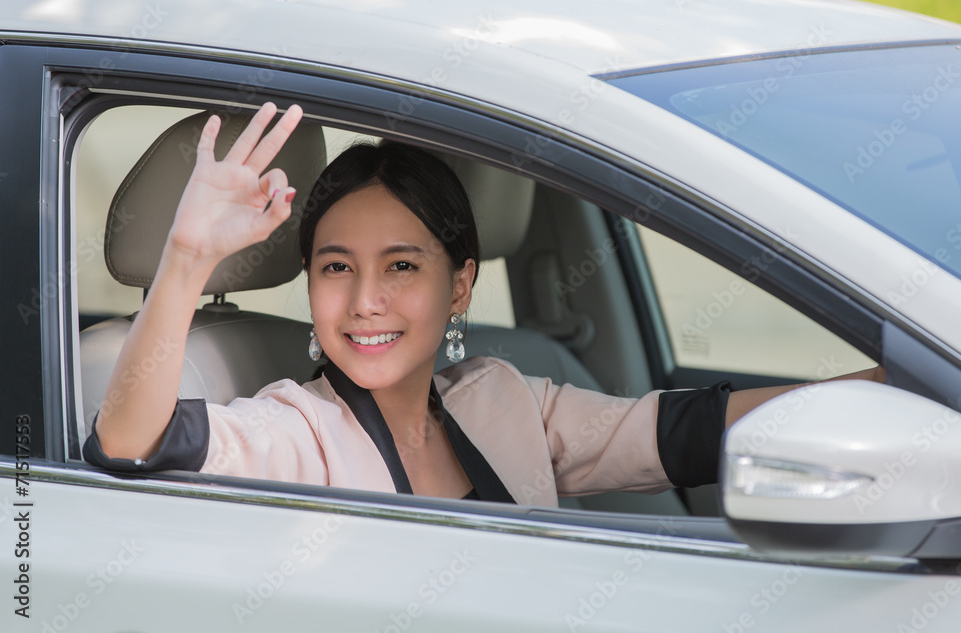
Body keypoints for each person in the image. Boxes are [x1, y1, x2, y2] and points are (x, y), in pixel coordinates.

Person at [84, 103, 884, 506]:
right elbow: (131, 444)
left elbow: (683, 433)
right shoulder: (296, 428)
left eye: (402, 265)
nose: (366, 301)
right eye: (336, 268)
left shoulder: (507, 400)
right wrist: (187, 260)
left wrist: (895, 391)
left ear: (459, 283)